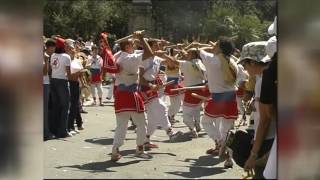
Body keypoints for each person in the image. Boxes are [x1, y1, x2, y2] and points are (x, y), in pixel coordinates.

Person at [110, 31, 153, 161]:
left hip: (120, 94)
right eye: (132, 44)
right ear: (127, 47)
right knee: (141, 123)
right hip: (131, 94)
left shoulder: (117, 56)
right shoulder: (129, 59)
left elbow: (145, 52)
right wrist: (141, 38)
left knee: (121, 125)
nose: (134, 45)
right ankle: (140, 149)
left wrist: (137, 40)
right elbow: (150, 53)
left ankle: (115, 150)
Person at [198, 37, 239, 168]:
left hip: (218, 98)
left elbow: (199, 50)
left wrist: (208, 48)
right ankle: (228, 158)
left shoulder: (212, 59)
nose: (213, 46)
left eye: (215, 45)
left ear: (220, 48)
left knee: (206, 122)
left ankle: (220, 143)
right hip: (231, 97)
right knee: (226, 129)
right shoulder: (232, 61)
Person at [239, 41, 276, 178]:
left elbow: (265, 120)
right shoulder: (267, 77)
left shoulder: (263, 81)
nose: (245, 68)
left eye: (245, 64)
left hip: (268, 139)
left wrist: (254, 154)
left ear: (253, 62)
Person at [139, 39, 183, 149]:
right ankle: (170, 132)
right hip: (144, 89)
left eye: (159, 45)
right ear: (149, 47)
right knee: (161, 107)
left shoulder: (158, 59)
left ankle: (146, 139)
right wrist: (150, 85)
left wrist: (165, 54)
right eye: (155, 46)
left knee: (153, 118)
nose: (158, 47)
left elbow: (172, 62)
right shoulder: (144, 59)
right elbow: (139, 78)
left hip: (153, 89)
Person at [50, 37, 72, 138]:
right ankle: (63, 131)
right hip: (62, 81)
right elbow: (69, 74)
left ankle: (54, 129)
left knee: (56, 106)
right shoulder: (66, 57)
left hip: (53, 81)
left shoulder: (53, 55)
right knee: (65, 106)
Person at [65, 39, 86, 134]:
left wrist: (83, 83)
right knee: (73, 105)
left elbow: (81, 74)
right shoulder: (67, 60)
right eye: (69, 49)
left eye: (72, 49)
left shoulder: (78, 61)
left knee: (75, 104)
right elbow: (68, 74)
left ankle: (78, 123)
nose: (72, 50)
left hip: (76, 83)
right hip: (69, 83)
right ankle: (72, 125)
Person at [43, 38, 56, 141]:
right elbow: (45, 72)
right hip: (44, 84)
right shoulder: (44, 56)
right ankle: (46, 133)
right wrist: (46, 59)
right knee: (44, 110)